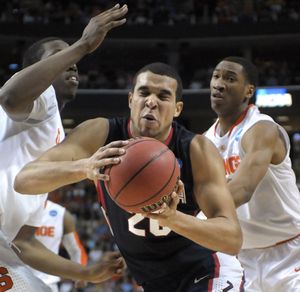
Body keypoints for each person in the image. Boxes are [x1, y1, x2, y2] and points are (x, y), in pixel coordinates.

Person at [15, 62, 244, 291]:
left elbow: (232, 239)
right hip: (151, 282)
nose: (151, 102)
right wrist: (85, 167)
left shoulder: (197, 150)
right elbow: (24, 180)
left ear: (177, 109)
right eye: (144, 92)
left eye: (163, 96)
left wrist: (171, 218)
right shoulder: (101, 134)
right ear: (130, 99)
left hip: (206, 271)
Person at [0, 4, 128, 290]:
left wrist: (87, 273)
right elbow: (9, 97)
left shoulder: (53, 136)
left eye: (72, 58)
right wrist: (82, 45)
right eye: (57, 56)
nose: (71, 63)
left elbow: (25, 242)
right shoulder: (42, 99)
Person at [205, 56, 300, 291]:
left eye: (230, 78)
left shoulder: (261, 129)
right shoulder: (205, 141)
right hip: (243, 259)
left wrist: (176, 218)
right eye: (216, 76)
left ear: (249, 91)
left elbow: (242, 189)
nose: (219, 83)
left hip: (292, 251)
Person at [31, 199, 88, 292]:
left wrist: (81, 273)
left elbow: (76, 249)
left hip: (47, 284)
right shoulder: (13, 208)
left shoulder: (61, 214)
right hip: (14, 280)